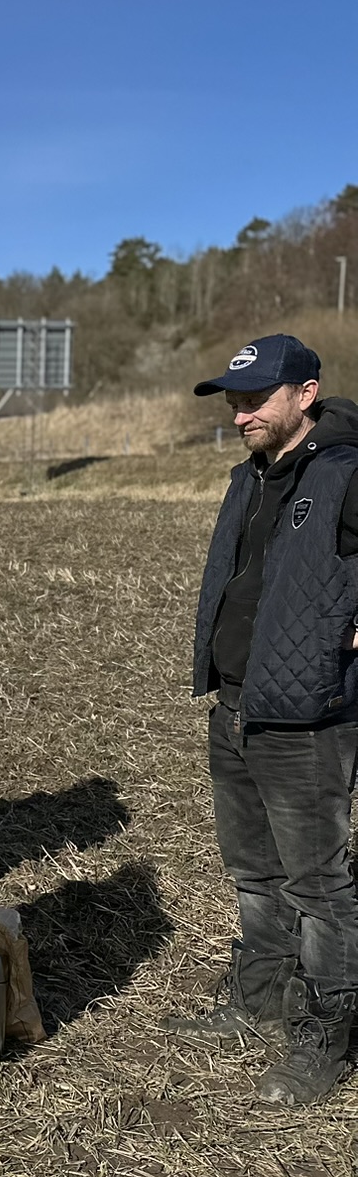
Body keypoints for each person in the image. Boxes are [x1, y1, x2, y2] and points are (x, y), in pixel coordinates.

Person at [170, 334, 358, 1105]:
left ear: (305, 394)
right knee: (255, 874)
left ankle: (324, 1037)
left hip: (308, 720)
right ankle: (259, 998)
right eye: (234, 402)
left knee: (319, 888)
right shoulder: (248, 478)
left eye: (255, 400)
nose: (241, 414)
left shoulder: (346, 472)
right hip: (236, 705)